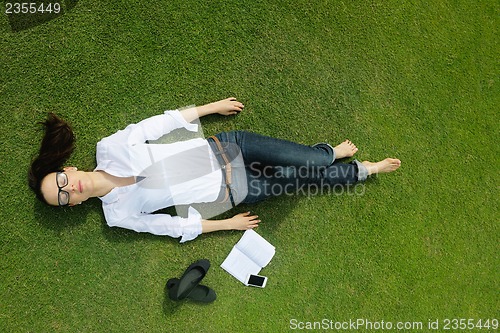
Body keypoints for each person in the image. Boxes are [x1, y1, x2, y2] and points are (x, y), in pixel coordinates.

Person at [29, 98, 401, 242]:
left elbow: (157, 124)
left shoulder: (109, 149)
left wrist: (210, 108)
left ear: (68, 168)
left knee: (315, 162)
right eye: (63, 197)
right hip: (236, 190)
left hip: (229, 147)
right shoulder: (118, 214)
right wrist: (228, 224)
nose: (69, 188)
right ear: (72, 206)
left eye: (61, 181)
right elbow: (171, 227)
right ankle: (363, 171)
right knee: (304, 181)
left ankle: (326, 152)